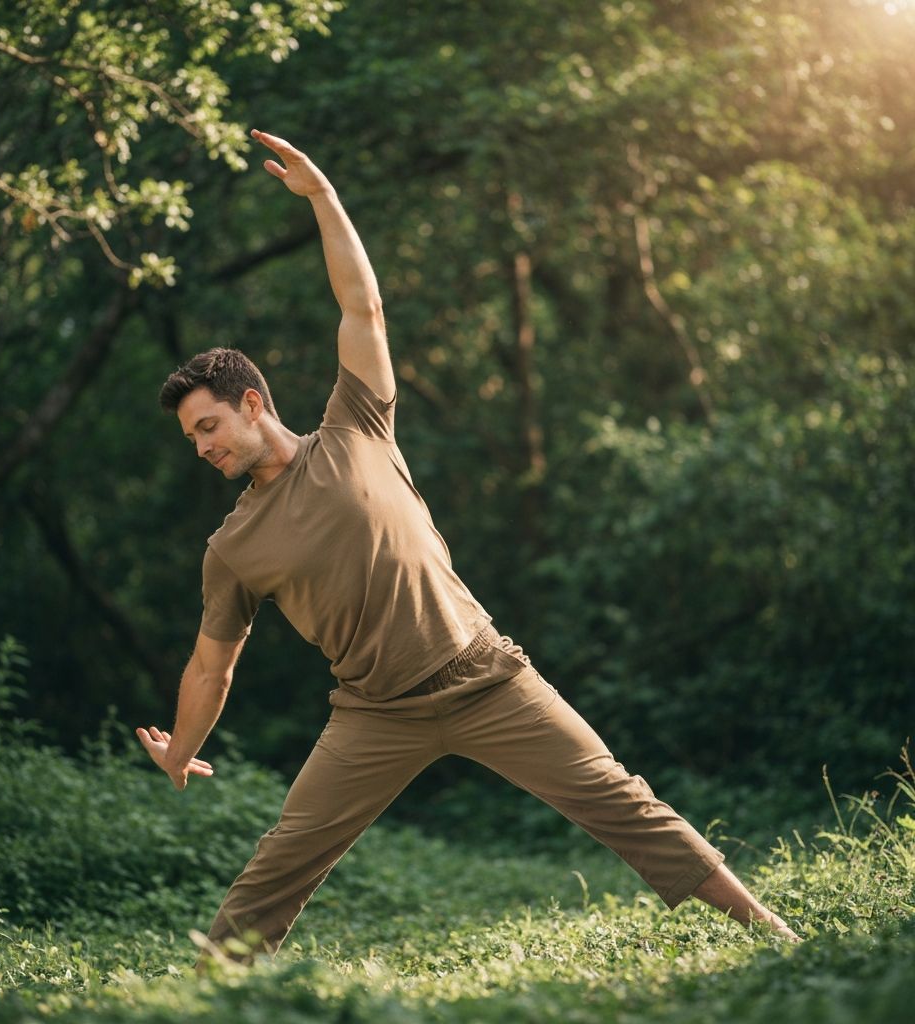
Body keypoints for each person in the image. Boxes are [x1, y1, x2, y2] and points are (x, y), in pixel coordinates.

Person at [136, 129, 801, 964]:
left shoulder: (356, 428)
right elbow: (211, 666)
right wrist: (181, 753)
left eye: (208, 426)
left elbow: (361, 308)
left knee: (623, 803)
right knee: (280, 864)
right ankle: (205, 990)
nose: (203, 447)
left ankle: (774, 933)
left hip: (486, 674)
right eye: (191, 439)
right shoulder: (232, 546)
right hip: (374, 713)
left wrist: (323, 198)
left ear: (252, 400)